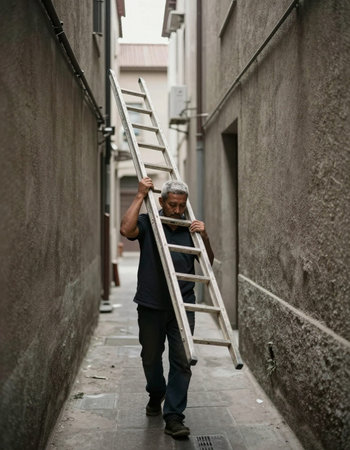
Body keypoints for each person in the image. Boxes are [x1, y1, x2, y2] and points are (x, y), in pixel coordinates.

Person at [120, 177, 214, 439]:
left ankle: (173, 416)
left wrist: (204, 235)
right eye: (172, 205)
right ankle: (156, 392)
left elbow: (208, 262)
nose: (176, 210)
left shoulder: (189, 227)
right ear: (161, 202)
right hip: (150, 304)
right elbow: (126, 230)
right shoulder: (150, 223)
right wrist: (139, 196)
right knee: (150, 356)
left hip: (182, 305)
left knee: (182, 361)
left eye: (181, 206)